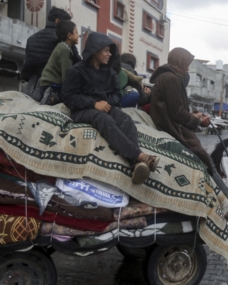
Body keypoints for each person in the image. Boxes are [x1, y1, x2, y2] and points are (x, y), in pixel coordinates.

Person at [149, 47, 228, 217]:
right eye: (186, 64)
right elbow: (177, 114)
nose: (187, 69)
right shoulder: (171, 79)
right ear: (181, 62)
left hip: (172, 126)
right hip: (175, 130)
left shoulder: (167, 77)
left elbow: (175, 109)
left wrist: (194, 115)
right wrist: (199, 121)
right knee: (207, 162)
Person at [62, 32, 159, 185]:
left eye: (110, 51)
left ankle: (136, 165)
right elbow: (68, 97)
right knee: (105, 120)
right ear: (95, 50)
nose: (109, 54)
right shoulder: (76, 71)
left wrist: (107, 102)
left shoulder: (110, 72)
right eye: (106, 50)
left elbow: (116, 95)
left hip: (105, 107)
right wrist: (94, 104)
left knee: (126, 119)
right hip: (83, 110)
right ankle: (140, 156)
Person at [21, 7, 81, 99]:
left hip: (32, 87)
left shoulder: (31, 39)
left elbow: (27, 66)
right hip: (54, 88)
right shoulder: (64, 42)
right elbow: (75, 65)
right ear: (57, 21)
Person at [38, 20, 79, 105]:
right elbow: (67, 75)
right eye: (76, 32)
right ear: (69, 36)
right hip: (50, 86)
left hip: (48, 83)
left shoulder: (64, 47)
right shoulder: (64, 50)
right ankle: (52, 97)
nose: (79, 35)